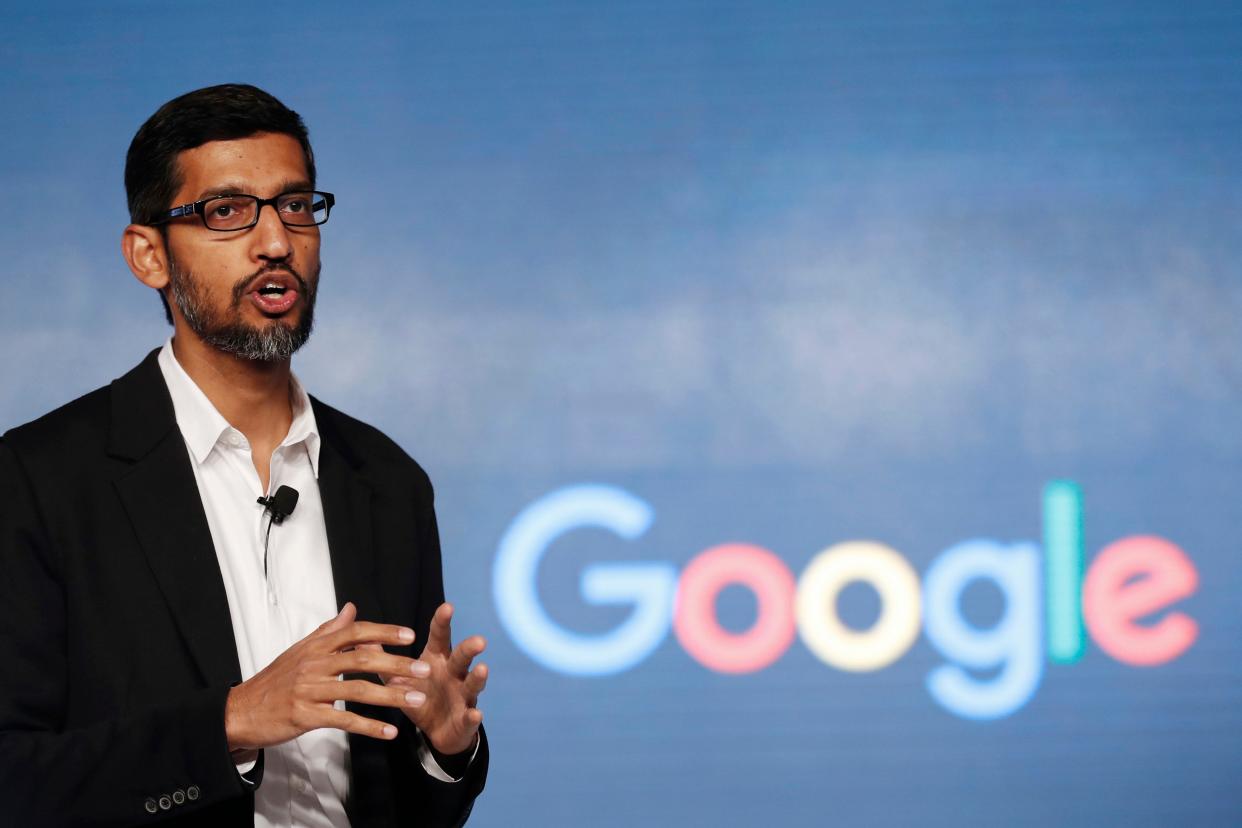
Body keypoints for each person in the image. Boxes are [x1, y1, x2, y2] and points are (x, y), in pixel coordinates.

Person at [0, 84, 489, 827]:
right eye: (226, 212)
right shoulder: (40, 480)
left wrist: (444, 751)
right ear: (148, 256)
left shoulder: (386, 481)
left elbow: (404, 806)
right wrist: (230, 721)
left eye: (295, 206)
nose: (275, 242)